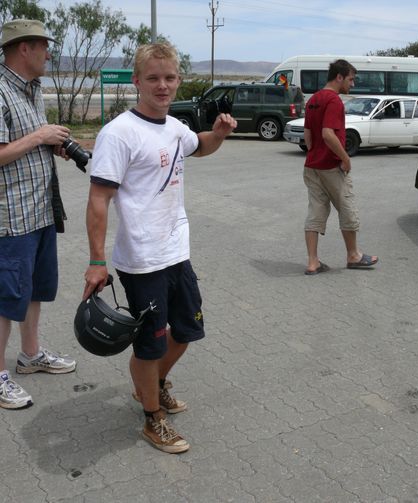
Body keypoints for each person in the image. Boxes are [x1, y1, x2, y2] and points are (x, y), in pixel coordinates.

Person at [82, 43, 237, 454]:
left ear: (178, 80)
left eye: (169, 78)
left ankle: (151, 385)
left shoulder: (175, 126)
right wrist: (97, 261)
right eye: (153, 78)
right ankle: (153, 418)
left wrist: (218, 135)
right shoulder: (118, 133)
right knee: (150, 343)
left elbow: (198, 145)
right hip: (141, 260)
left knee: (186, 332)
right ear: (136, 81)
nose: (162, 85)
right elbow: (99, 200)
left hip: (177, 252)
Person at [0, 19, 77, 410]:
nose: (49, 52)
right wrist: (39, 138)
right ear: (23, 49)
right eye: (44, 46)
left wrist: (53, 145)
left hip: (40, 211)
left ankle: (30, 356)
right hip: (10, 218)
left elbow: (28, 146)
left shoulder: (33, 90)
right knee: (5, 298)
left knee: (32, 291)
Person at [303, 59, 378, 275]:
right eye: (350, 79)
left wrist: (314, 152)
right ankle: (353, 255)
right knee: (347, 208)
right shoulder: (334, 101)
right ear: (339, 77)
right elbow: (328, 134)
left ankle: (312, 262)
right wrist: (345, 158)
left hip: (312, 166)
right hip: (331, 167)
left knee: (315, 211)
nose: (352, 84)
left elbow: (308, 136)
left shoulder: (314, 99)